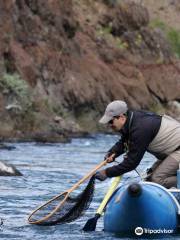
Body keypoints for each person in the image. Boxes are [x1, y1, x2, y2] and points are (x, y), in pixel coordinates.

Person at [95, 100, 180, 189]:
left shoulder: (140, 129)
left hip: (177, 150)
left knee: (157, 180)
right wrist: (112, 152)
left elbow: (131, 163)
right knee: (149, 179)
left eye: (111, 122)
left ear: (122, 117)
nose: (109, 125)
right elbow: (125, 141)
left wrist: (107, 173)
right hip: (172, 151)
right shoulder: (132, 121)